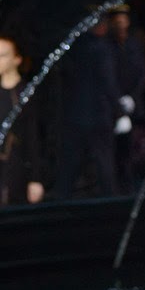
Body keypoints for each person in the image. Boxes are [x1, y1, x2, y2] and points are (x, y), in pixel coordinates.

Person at [54, 14, 127, 199]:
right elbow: (107, 81)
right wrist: (120, 111)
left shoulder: (75, 48)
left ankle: (61, 198)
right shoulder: (102, 49)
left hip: (75, 113)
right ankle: (110, 201)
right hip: (98, 114)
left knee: (71, 161)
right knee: (104, 160)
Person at [106, 4, 145, 193]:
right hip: (112, 107)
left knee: (134, 147)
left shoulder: (134, 45)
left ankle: (133, 183)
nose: (121, 25)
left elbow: (141, 74)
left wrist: (131, 98)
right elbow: (107, 77)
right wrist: (117, 101)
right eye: (117, 22)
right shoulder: (108, 46)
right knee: (115, 149)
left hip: (133, 105)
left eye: (123, 21)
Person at [0, 35, 45, 206]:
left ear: (16, 59)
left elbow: (33, 136)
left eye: (3, 55)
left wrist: (36, 179)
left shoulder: (25, 93)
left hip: (16, 168)